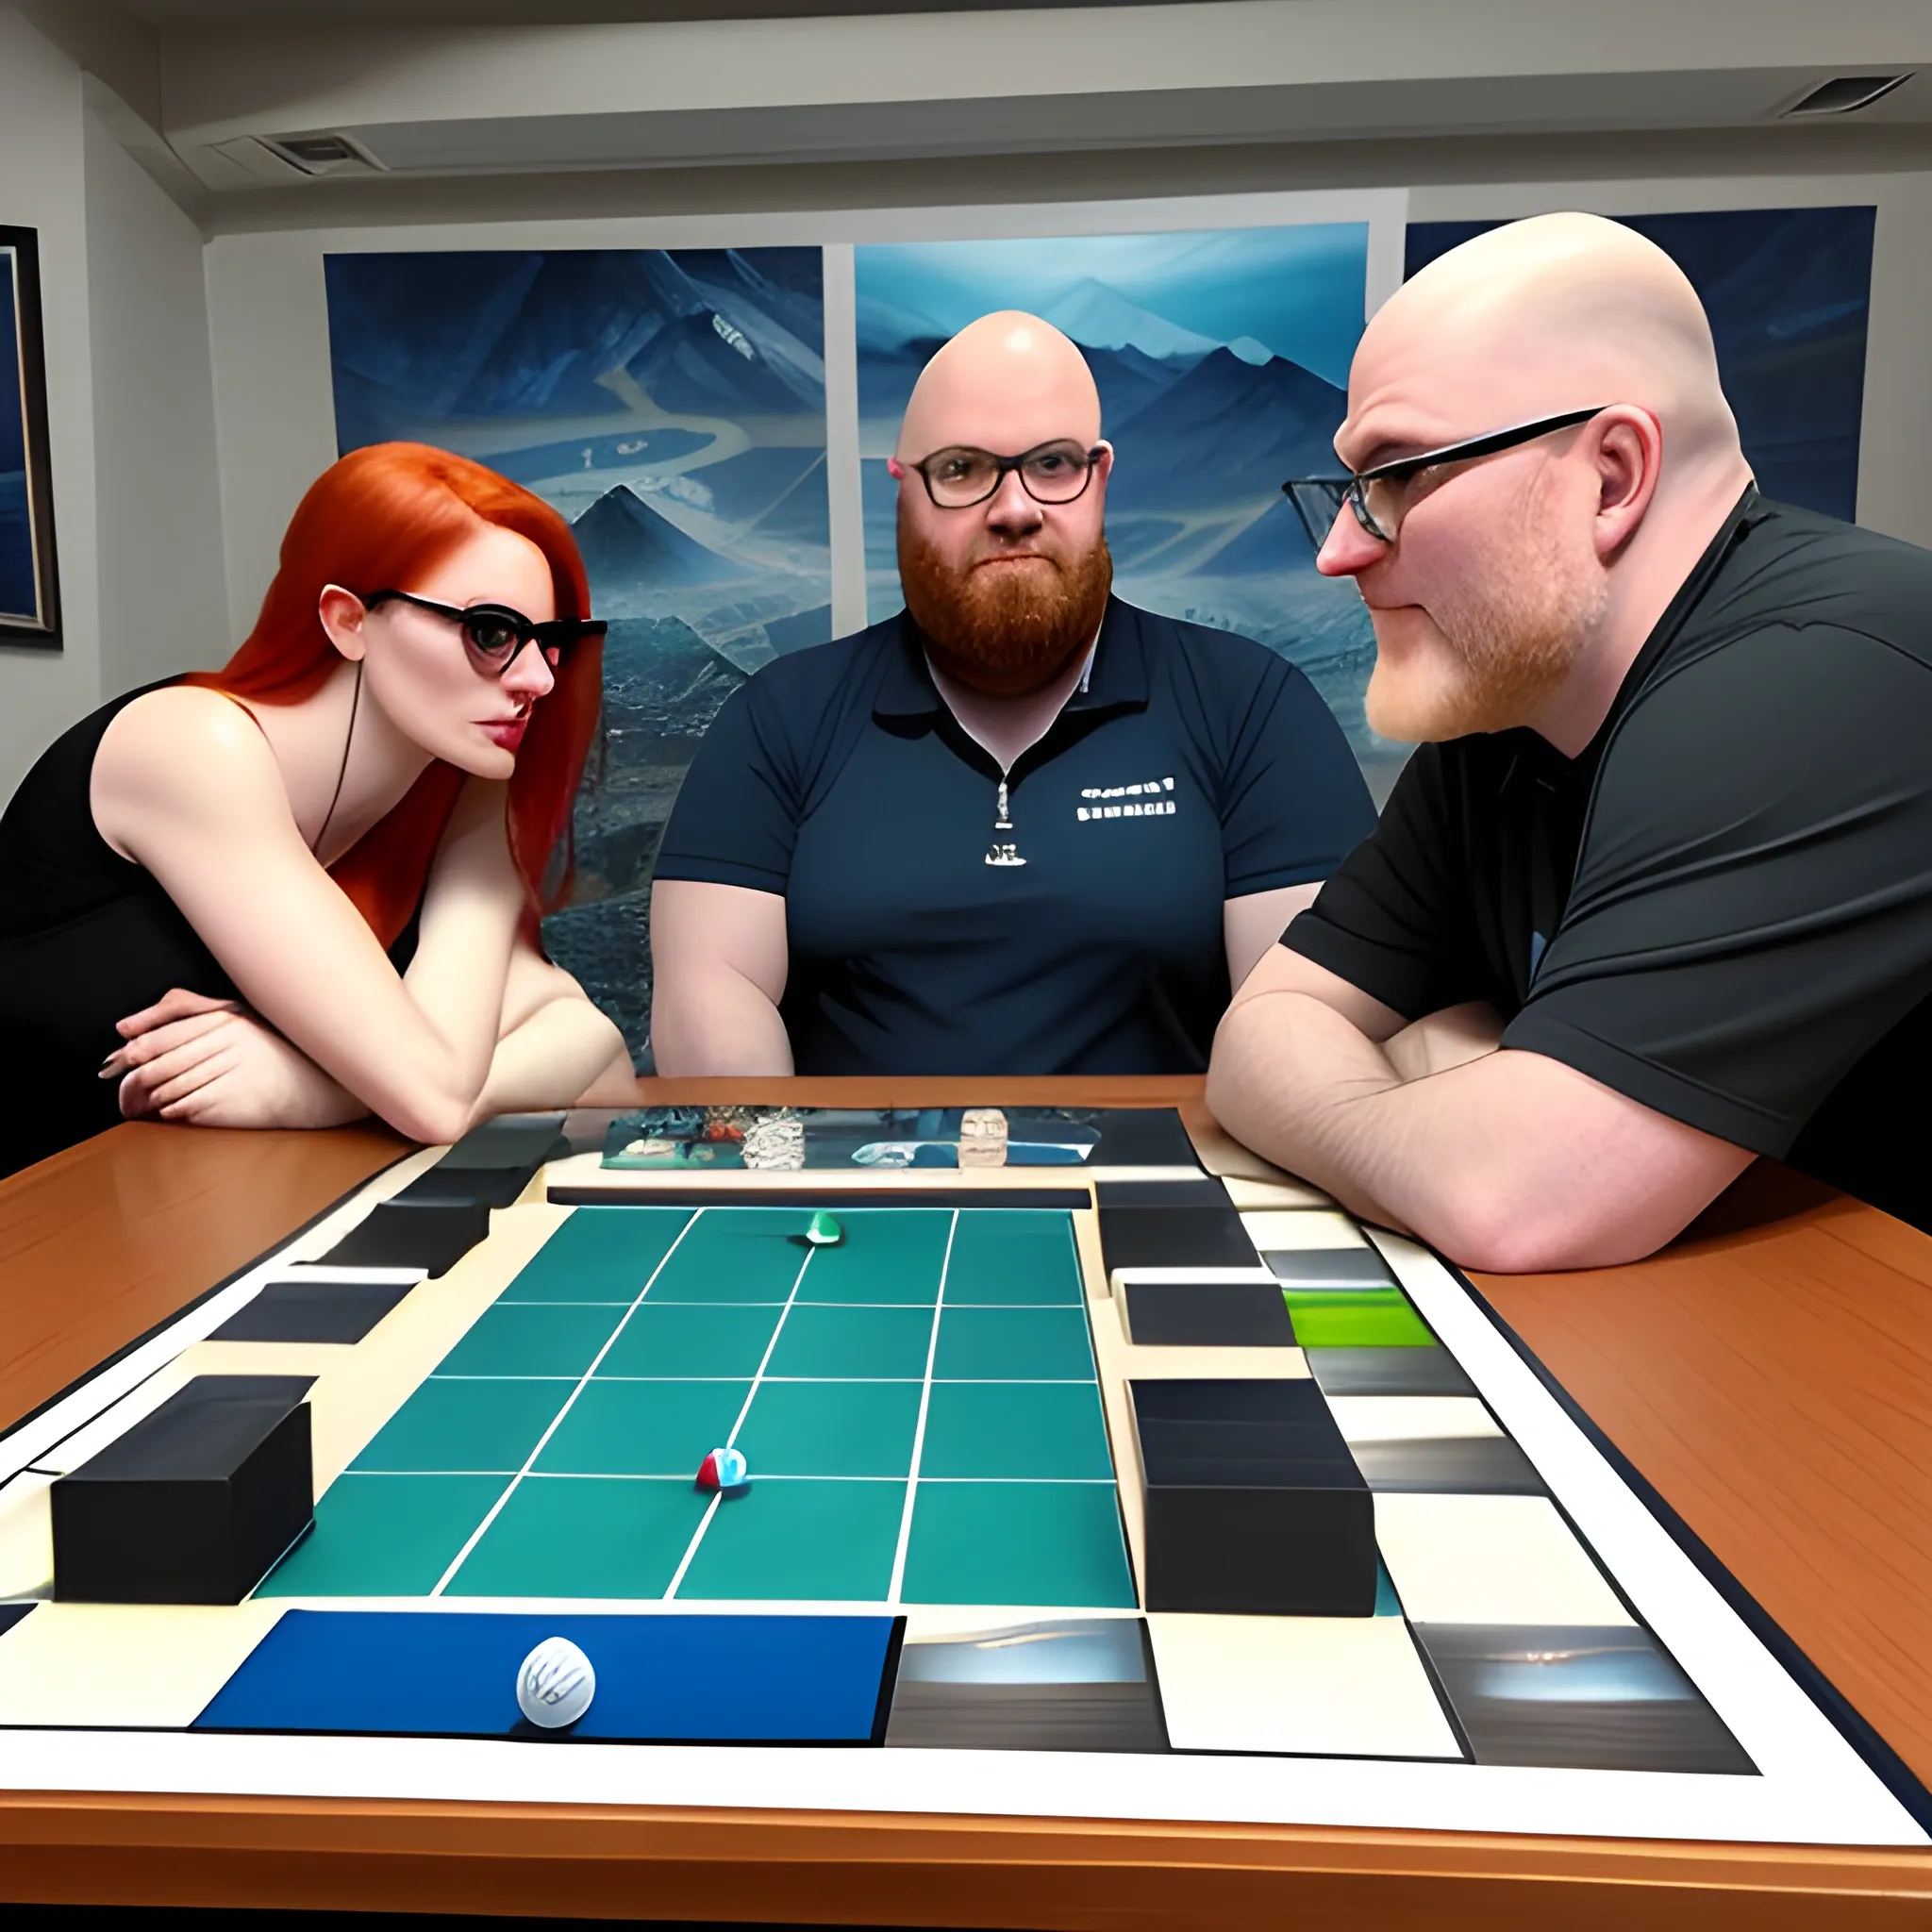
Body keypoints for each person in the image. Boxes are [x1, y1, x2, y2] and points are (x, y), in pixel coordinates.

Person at [1207, 211, 1932, 1270]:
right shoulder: (1507, 704)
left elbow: (1511, 1198)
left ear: (1610, 475)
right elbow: (1260, 1031)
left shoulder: (1831, 674)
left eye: (1401, 474)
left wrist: (1434, 1063)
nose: (1340, 547)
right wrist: (1457, 1091)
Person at [649, 311, 1374, 1075]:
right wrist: (792, 1187)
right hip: (859, 1191)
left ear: (1099, 478)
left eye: (1053, 464)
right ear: (904, 490)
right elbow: (711, 994)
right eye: (961, 470)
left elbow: (1307, 1022)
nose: (1016, 509)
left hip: (1152, 1192)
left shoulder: (1253, 710)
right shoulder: (777, 722)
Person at [0, 442, 636, 1177]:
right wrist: (396, 1082)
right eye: (491, 633)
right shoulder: (189, 747)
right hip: (43, 1235)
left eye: (549, 642)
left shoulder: (463, 784)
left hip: (227, 1213)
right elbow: (441, 1094)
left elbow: (603, 1079)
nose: (538, 680)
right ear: (347, 620)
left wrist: (312, 1089)